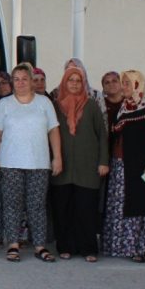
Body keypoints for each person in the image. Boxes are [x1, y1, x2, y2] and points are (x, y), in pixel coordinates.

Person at [0, 64, 62, 263]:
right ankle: (13, 244)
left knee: (37, 206)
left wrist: (57, 157)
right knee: (12, 205)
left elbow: (53, 130)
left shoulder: (44, 103)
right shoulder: (5, 104)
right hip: (11, 163)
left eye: (24, 79)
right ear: (12, 82)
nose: (20, 82)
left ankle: (39, 246)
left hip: (39, 162)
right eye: (16, 79)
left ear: (31, 81)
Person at [103, 70, 145, 263]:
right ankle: (120, 246)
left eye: (128, 83)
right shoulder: (124, 108)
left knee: (140, 203)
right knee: (120, 204)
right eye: (124, 83)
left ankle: (140, 247)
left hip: (141, 165)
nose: (124, 86)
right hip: (121, 166)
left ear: (138, 84)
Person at [50, 67, 109, 262]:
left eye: (78, 80)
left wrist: (103, 161)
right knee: (63, 209)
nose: (74, 84)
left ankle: (88, 248)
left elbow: (102, 135)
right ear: (64, 82)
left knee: (86, 210)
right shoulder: (56, 106)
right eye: (70, 80)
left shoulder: (91, 106)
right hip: (62, 168)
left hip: (87, 167)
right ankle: (65, 246)